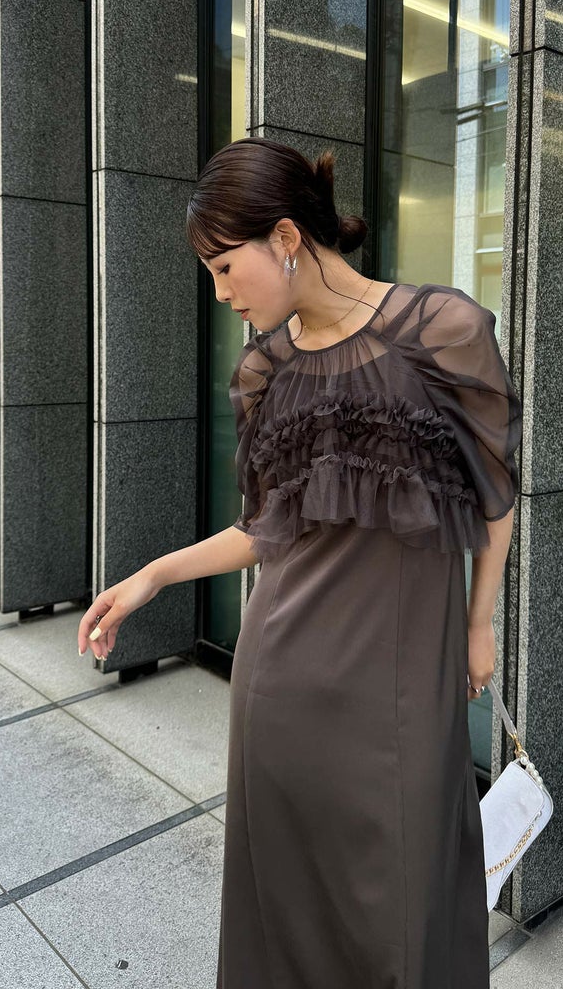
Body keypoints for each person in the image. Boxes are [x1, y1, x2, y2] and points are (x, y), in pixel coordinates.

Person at [77, 136, 522, 988]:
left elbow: (496, 499)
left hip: (401, 683)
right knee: (286, 923)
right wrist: (152, 576)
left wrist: (479, 625)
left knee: (403, 916)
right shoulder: (266, 371)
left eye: (224, 267)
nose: (221, 292)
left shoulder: (443, 331)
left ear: (284, 237)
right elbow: (267, 529)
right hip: (281, 683)